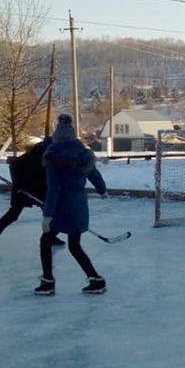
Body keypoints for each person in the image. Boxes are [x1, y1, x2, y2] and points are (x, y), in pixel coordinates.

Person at [35, 114, 108, 295]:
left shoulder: (53, 157)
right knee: (74, 245)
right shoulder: (83, 154)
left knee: (45, 241)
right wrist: (102, 190)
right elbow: (94, 175)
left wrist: (47, 215)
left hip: (61, 208)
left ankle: (48, 281)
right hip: (79, 206)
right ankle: (96, 279)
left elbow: (54, 189)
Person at [0, 137, 65, 248]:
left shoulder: (49, 156)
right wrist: (18, 184)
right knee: (13, 215)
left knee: (50, 213)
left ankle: (50, 236)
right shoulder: (29, 158)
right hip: (22, 190)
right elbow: (13, 166)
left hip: (39, 189)